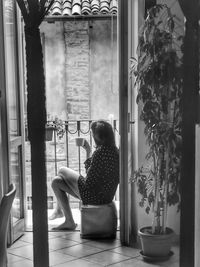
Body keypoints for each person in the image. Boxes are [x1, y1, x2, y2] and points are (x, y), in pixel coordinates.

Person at [49, 120, 119, 230]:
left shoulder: (100, 152)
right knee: (56, 182)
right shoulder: (115, 151)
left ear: (100, 136)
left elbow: (88, 182)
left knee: (62, 170)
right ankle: (69, 221)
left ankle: (58, 211)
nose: (92, 136)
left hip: (93, 196)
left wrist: (88, 151)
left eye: (93, 134)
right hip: (105, 196)